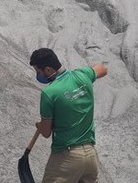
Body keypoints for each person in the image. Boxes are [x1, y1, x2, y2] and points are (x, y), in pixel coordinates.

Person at [30, 48, 108, 183]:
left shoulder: (50, 93)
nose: (38, 75)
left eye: (39, 71)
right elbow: (102, 68)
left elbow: (46, 132)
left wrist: (39, 125)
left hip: (67, 157)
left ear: (48, 70)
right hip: (90, 156)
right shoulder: (83, 75)